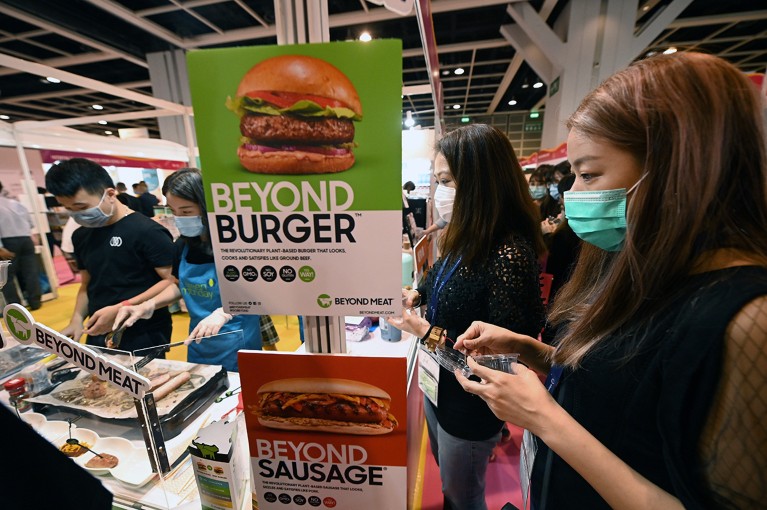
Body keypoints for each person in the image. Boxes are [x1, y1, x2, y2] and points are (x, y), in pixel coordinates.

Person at [454, 52, 767, 509]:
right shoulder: (637, 270)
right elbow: (621, 389)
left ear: (677, 169)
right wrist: (532, 350)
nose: (573, 194)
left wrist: (544, 419)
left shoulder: (745, 319)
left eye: (588, 174)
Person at [394, 124, 546, 510]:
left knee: (461, 496)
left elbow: (499, 361)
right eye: (437, 180)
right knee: (449, 480)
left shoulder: (509, 253)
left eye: (446, 181)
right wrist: (418, 292)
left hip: (469, 403)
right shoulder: (466, 234)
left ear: (478, 182)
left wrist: (424, 331)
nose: (439, 192)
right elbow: (440, 275)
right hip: (436, 385)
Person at [114, 168, 278, 372]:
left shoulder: (237, 244)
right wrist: (148, 305)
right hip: (199, 340)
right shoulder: (182, 245)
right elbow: (177, 284)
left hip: (238, 340)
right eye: (173, 211)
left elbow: (260, 289)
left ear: (207, 206)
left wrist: (224, 312)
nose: (179, 218)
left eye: (186, 211)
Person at [45, 158, 176, 352]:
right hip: (98, 326)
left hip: (143, 328)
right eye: (69, 209)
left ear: (110, 194)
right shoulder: (81, 234)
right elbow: (87, 284)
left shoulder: (146, 231)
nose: (77, 215)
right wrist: (77, 319)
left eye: (82, 207)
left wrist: (123, 307)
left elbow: (172, 281)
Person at [0, 182, 41, 310]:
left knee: (6, 277)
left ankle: (16, 307)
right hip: (25, 239)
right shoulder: (16, 203)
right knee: (30, 272)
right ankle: (35, 302)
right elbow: (30, 224)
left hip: (7, 242)